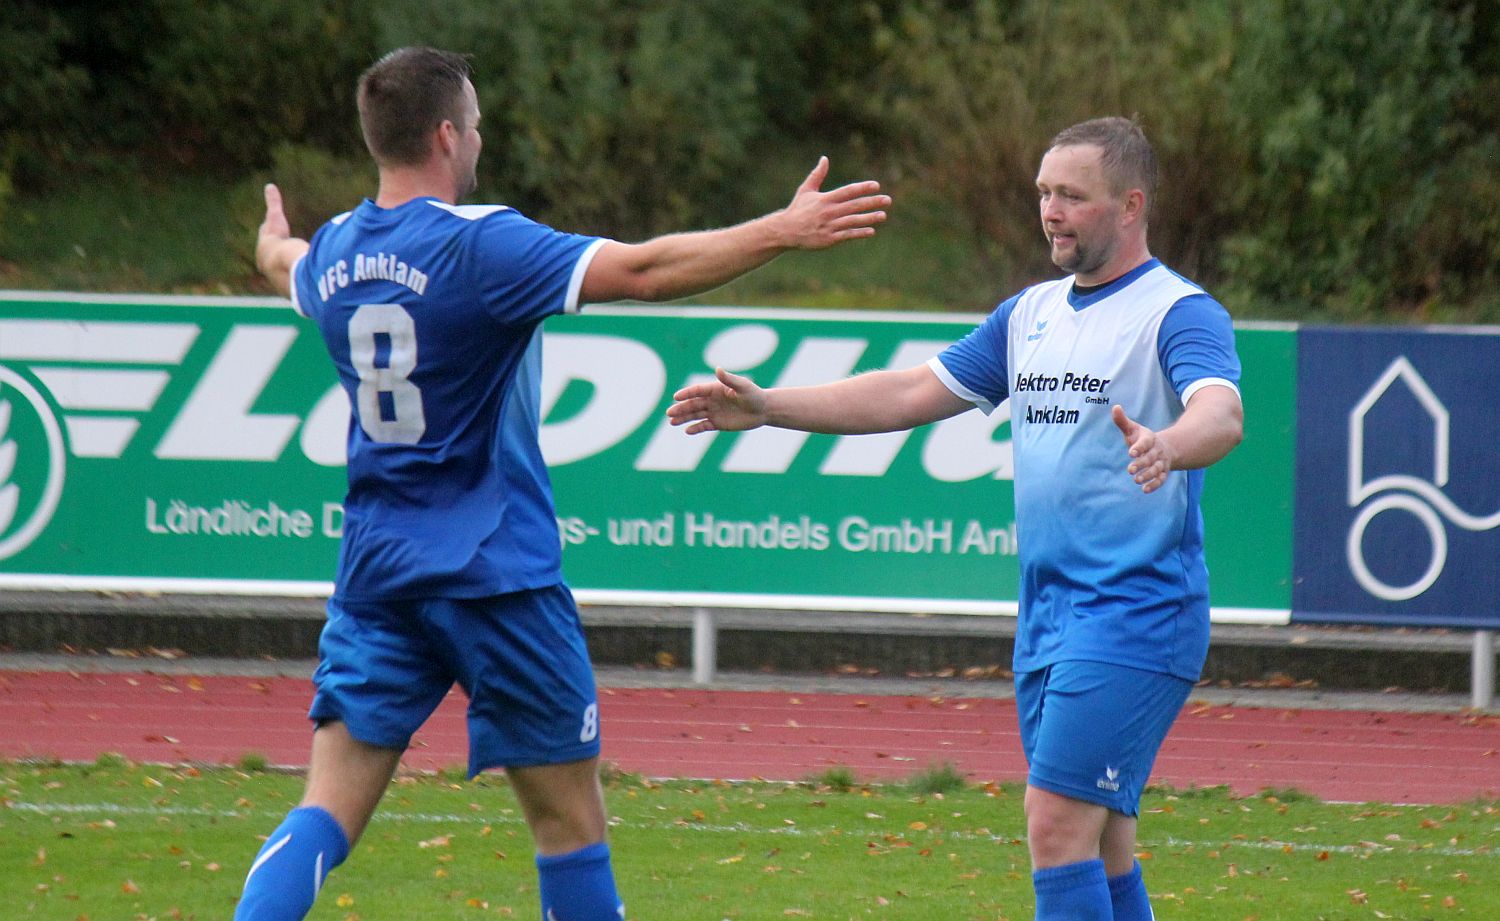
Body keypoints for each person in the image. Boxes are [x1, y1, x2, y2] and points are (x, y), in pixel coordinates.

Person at [238, 46, 890, 921]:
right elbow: (647, 271)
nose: (478, 140)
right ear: (444, 135)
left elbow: (288, 262)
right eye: (473, 126)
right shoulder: (481, 246)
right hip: (498, 578)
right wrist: (782, 228)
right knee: (568, 824)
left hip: (378, 577)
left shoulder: (336, 260)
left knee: (325, 811)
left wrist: (270, 241)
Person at [667, 116, 1242, 921]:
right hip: (1049, 613)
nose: (1050, 211)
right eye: (1044, 193)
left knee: (1054, 826)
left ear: (1131, 205)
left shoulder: (1177, 312)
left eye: (1072, 196)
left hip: (1138, 611)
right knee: (1103, 841)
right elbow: (910, 392)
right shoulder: (1030, 314)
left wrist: (1170, 445)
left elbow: (1221, 412)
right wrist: (768, 408)